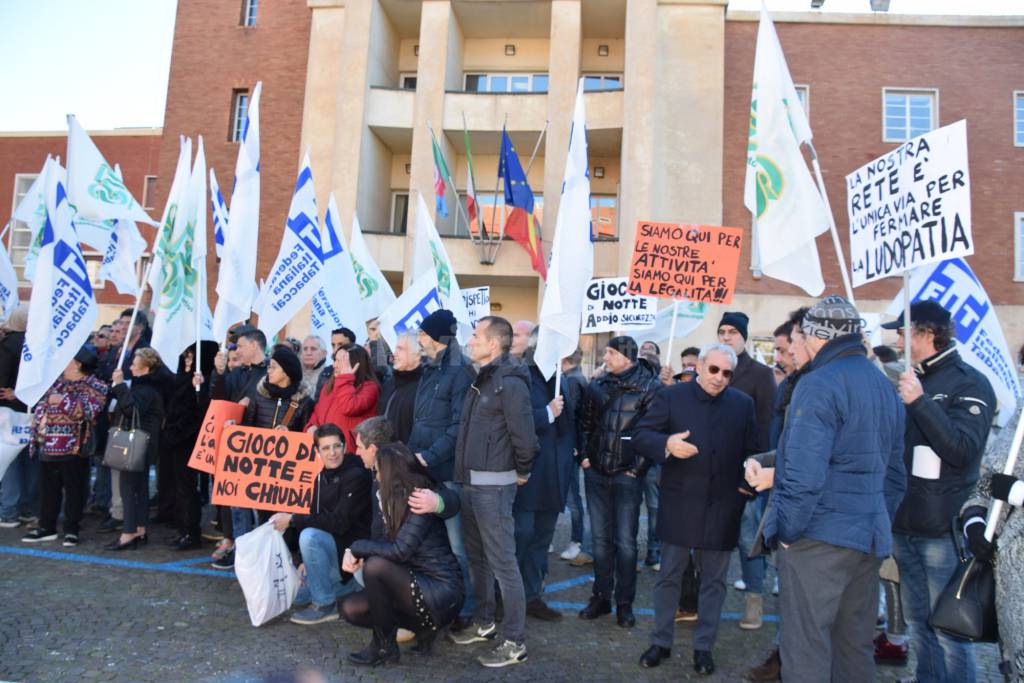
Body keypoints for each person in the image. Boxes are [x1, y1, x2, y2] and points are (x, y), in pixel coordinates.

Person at [765, 295, 906, 682]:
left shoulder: (817, 383)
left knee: (806, 649)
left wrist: (789, 532)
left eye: (804, 335)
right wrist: (876, 519)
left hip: (818, 538)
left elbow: (803, 474)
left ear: (817, 336)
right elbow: (895, 475)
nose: (801, 343)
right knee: (853, 648)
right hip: (866, 537)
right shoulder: (882, 383)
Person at [882, 300, 996, 683]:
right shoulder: (913, 378)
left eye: (902, 331)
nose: (897, 339)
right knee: (920, 624)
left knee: (949, 632)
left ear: (926, 334)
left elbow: (962, 451)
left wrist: (919, 402)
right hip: (905, 521)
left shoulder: (970, 383)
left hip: (941, 528)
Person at [634, 343, 758, 676]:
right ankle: (660, 641)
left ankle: (704, 648)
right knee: (669, 577)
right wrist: (667, 445)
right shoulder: (672, 396)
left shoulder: (743, 405)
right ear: (700, 366)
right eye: (714, 369)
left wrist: (746, 486)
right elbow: (641, 435)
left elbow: (754, 450)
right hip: (680, 501)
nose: (719, 378)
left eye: (727, 373)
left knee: (715, 582)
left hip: (723, 505)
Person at [449, 316, 537, 668]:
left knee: (503, 563)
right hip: (470, 483)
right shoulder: (481, 378)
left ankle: (514, 641)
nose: (469, 341)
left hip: (494, 487)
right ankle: (484, 622)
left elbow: (525, 437)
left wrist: (523, 470)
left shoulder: (509, 383)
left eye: (475, 336)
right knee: (479, 559)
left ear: (493, 344)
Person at [340, 443, 464, 666]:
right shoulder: (387, 497)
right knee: (351, 609)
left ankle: (384, 647)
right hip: (411, 582)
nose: (375, 478)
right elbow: (380, 542)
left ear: (389, 473)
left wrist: (357, 547)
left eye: (377, 472)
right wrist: (354, 550)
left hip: (440, 588)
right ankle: (417, 631)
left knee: (375, 566)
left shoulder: (419, 499)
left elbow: (399, 551)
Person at [577, 336, 661, 628]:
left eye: (610, 353)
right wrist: (585, 459)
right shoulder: (597, 385)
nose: (605, 357)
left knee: (626, 543)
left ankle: (625, 603)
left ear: (627, 357)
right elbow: (584, 424)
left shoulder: (651, 388)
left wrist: (637, 469)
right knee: (600, 541)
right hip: (597, 473)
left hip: (627, 477)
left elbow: (654, 431)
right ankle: (600, 597)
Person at [410, 309, 476, 629]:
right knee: (429, 539)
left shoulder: (460, 371)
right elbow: (420, 420)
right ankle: (438, 598)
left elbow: (458, 425)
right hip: (423, 467)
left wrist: (430, 456)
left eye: (422, 334)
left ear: (437, 337)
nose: (418, 339)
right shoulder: (429, 369)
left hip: (446, 470)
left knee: (457, 545)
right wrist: (412, 456)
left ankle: (466, 607)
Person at [269, 423, 372, 625]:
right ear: (317, 452)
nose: (332, 453)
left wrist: (291, 519)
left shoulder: (357, 476)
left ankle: (325, 604)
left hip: (351, 558)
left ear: (344, 447)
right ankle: (337, 588)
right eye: (325, 448)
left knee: (309, 535)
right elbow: (310, 515)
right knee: (292, 596)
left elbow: (339, 522)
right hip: (330, 553)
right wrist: (302, 560)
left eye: (336, 446)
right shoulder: (316, 477)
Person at [717, 311, 775, 629]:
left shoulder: (760, 375)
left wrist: (753, 477)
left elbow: (765, 431)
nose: (726, 337)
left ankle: (754, 600)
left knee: (748, 538)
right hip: (711, 474)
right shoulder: (711, 367)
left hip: (746, 474)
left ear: (744, 336)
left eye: (732, 332)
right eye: (722, 331)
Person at [961, 405, 1024, 681]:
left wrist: (1019, 493)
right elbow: (989, 479)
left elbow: (1009, 488)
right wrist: (974, 520)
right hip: (1010, 586)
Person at [22, 346, 108, 546]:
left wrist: (62, 401)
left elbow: (89, 410)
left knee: (74, 490)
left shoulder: (95, 385)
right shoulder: (56, 383)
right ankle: (46, 527)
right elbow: (42, 406)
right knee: (48, 490)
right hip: (49, 445)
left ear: (78, 364)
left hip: (75, 448)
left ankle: (71, 529)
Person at [514, 328, 571, 621]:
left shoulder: (564, 382)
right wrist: (547, 412)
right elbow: (515, 421)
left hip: (553, 477)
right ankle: (508, 597)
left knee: (540, 541)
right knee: (520, 537)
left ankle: (533, 596)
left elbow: (570, 429)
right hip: (526, 475)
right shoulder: (520, 377)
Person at [103, 348, 165, 551]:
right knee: (138, 488)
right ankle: (139, 528)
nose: (130, 367)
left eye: (134, 364)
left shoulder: (145, 390)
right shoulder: (149, 388)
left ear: (145, 369)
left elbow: (132, 410)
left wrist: (120, 386)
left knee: (128, 488)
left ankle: (128, 532)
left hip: (135, 446)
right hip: (143, 446)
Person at [165, 342, 217, 550]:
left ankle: (191, 531)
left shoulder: (203, 378)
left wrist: (200, 387)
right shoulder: (182, 375)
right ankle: (183, 528)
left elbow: (200, 409)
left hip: (190, 436)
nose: (187, 359)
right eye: (185, 355)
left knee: (188, 487)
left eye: (190, 356)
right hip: (177, 435)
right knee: (180, 486)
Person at [305, 344, 379, 454]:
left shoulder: (370, 388)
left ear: (355, 364)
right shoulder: (330, 384)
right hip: (326, 450)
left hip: (349, 454)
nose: (334, 365)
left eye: (340, 361)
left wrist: (345, 378)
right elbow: (318, 410)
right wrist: (312, 425)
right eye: (335, 360)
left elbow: (349, 407)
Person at [0, 305, 35, 528]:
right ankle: (28, 508)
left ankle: (8, 511)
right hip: (30, 410)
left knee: (10, 459)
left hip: (8, 411)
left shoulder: (8, 345)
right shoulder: (36, 345)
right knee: (30, 461)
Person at [558, 349, 592, 564]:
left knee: (572, 497)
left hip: (570, 446)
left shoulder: (571, 380)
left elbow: (571, 416)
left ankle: (577, 541)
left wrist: (572, 445)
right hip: (575, 445)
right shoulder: (578, 378)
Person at [379, 332, 422, 444]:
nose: (394, 354)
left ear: (417, 354)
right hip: (384, 456)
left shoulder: (423, 388)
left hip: (407, 457)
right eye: (395, 348)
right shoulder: (389, 383)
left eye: (401, 349)